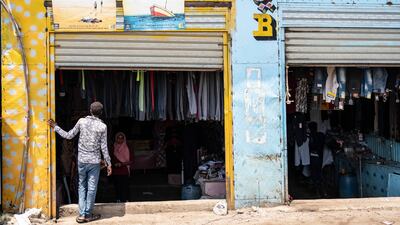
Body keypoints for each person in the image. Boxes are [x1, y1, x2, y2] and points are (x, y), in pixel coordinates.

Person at [48, 101, 112, 223]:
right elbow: (104, 148)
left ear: (90, 110)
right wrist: (108, 164)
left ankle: (82, 214)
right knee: (92, 188)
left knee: (82, 186)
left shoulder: (81, 121)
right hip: (94, 162)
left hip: (82, 160)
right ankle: (87, 214)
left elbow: (69, 135)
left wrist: (56, 127)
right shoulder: (103, 127)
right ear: (101, 113)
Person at [112, 132, 134, 202]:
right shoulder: (113, 147)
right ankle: (118, 199)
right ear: (116, 139)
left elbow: (132, 161)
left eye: (122, 138)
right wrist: (114, 164)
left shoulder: (128, 148)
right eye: (118, 138)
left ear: (124, 139)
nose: (120, 140)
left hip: (125, 171)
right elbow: (110, 159)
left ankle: (126, 200)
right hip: (116, 171)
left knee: (125, 187)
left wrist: (122, 164)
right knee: (117, 187)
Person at [308, 121, 325, 196]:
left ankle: (317, 191)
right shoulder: (321, 135)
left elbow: (310, 147)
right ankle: (321, 191)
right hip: (319, 157)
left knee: (314, 174)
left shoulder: (310, 136)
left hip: (313, 157)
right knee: (319, 173)